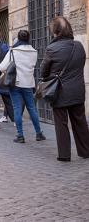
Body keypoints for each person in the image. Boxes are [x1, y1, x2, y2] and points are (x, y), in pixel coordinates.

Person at [40, 16, 89, 161]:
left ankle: (64, 155)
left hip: (59, 92)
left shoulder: (51, 48)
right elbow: (80, 64)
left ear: (56, 31)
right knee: (80, 122)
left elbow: (43, 72)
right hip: (77, 90)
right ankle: (86, 151)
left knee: (61, 124)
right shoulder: (79, 46)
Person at [0, 30, 46, 143]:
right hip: (28, 83)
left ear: (19, 39)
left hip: (15, 83)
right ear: (28, 38)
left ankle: (20, 135)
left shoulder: (13, 51)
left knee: (17, 108)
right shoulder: (34, 51)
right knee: (32, 108)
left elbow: (1, 67)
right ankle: (38, 133)